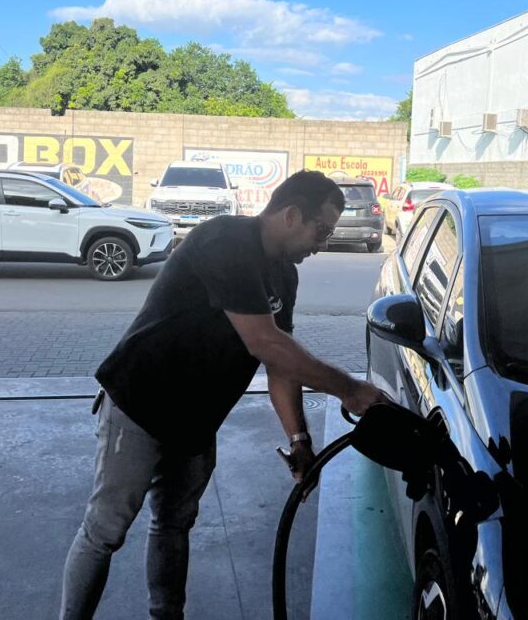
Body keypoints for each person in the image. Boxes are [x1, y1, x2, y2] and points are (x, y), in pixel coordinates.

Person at [59, 169, 388, 620]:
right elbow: (263, 342)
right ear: (292, 215)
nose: (322, 243)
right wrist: (348, 389)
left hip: (196, 420)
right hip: (139, 403)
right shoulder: (226, 242)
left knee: (174, 524)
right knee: (105, 530)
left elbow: (280, 363)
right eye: (322, 230)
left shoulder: (284, 277)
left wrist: (299, 440)